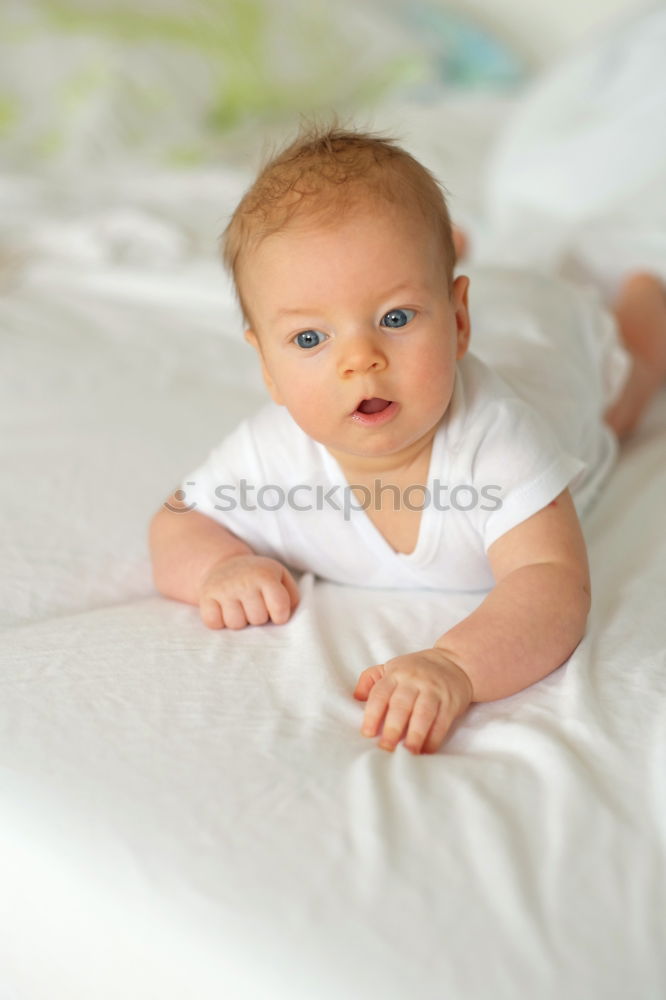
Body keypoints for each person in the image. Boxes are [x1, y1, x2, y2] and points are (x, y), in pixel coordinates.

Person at [148, 120, 666, 756]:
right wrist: (219, 567)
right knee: (396, 266)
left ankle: (646, 311)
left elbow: (553, 584)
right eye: (310, 339)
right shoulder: (272, 451)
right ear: (265, 367)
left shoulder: (497, 440)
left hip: (551, 341)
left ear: (457, 321)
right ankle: (435, 260)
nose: (359, 360)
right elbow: (176, 522)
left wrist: (456, 664)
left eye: (394, 319)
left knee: (621, 403)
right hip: (471, 303)